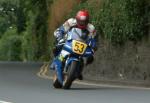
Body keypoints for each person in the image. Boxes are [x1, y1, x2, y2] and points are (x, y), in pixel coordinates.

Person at [50, 10, 97, 85]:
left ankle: (79, 70)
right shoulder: (71, 22)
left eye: (84, 22)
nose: (82, 23)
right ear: (77, 19)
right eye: (80, 21)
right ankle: (55, 60)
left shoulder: (91, 28)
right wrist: (60, 36)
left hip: (82, 44)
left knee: (90, 57)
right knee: (58, 46)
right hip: (69, 40)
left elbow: (93, 39)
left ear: (87, 21)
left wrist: (93, 45)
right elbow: (60, 30)